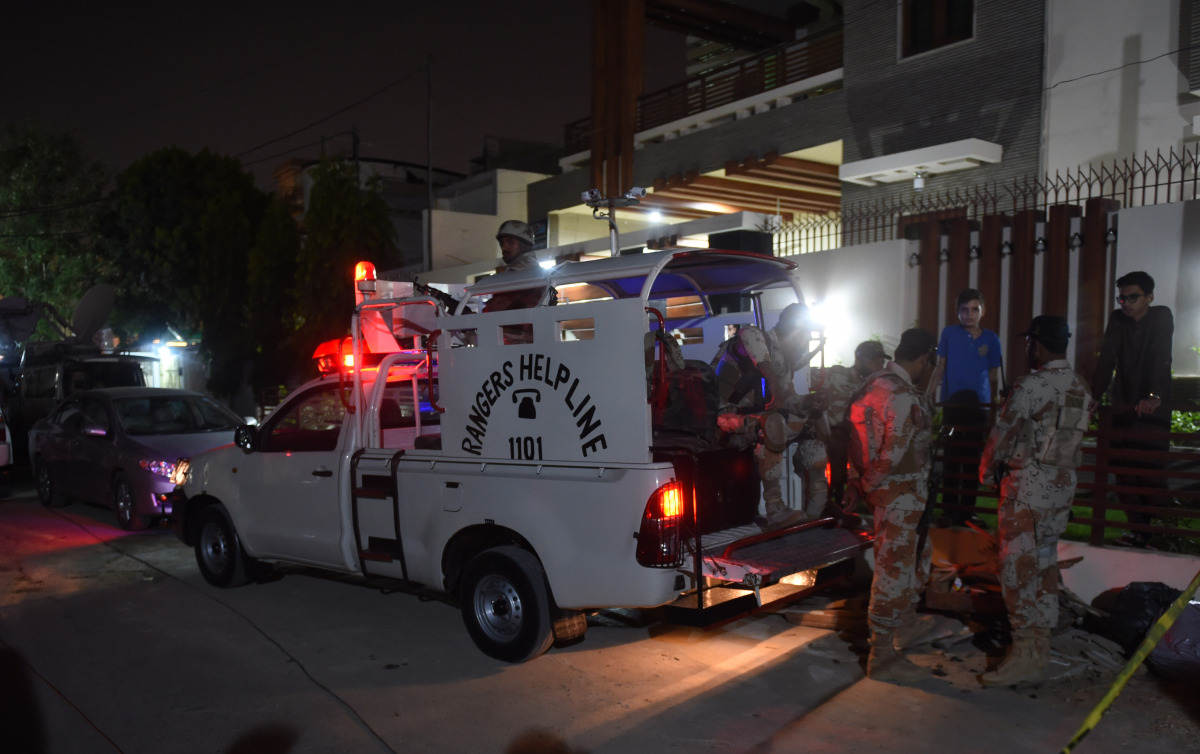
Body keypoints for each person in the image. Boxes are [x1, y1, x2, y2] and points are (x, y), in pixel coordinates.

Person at [978, 315, 1091, 686]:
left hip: (1027, 488)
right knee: (1043, 567)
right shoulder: (1080, 386)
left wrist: (986, 469)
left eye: (1030, 342)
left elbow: (1004, 431)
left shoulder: (1032, 385)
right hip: (1061, 489)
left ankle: (1024, 653)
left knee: (1016, 570)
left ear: (1037, 345)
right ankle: (1039, 649)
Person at [846, 328, 938, 682]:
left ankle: (903, 626)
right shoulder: (901, 395)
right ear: (922, 359)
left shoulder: (872, 386)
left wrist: (859, 484)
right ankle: (881, 655)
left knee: (912, 559)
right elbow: (892, 453)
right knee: (894, 571)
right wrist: (866, 484)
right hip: (898, 492)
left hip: (892, 493)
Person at [713, 303, 821, 531]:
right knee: (772, 423)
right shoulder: (758, 338)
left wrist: (808, 402)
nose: (804, 342)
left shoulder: (784, 359)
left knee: (814, 424)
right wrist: (772, 380)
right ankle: (774, 509)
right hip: (722, 419)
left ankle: (816, 510)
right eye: (804, 335)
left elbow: (786, 400)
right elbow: (748, 335)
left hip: (750, 420)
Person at [1090, 271, 1173, 548]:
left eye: (1132, 297)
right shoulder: (1117, 320)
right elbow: (1107, 358)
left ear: (1149, 297)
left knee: (1150, 470)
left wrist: (1154, 395)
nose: (1125, 303)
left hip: (1153, 411)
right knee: (1124, 470)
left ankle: (1160, 534)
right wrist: (1095, 396)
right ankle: (1138, 531)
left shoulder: (1161, 317)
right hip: (1123, 407)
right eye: (1122, 298)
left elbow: (1161, 357)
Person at [793, 340, 890, 519]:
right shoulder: (837, 374)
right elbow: (806, 380)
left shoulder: (875, 387)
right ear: (859, 359)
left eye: (881, 360)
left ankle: (838, 508)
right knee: (818, 481)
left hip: (851, 440)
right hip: (826, 434)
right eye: (874, 359)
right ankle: (820, 511)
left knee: (843, 479)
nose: (879, 364)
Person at [930, 289, 1003, 526]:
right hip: (952, 407)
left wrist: (996, 404)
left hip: (978, 409)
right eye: (964, 310)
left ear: (983, 311)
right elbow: (940, 367)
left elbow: (994, 375)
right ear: (957, 312)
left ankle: (968, 511)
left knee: (973, 459)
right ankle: (949, 511)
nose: (969, 314)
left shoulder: (991, 338)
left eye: (974, 309)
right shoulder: (949, 334)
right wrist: (926, 395)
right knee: (951, 456)